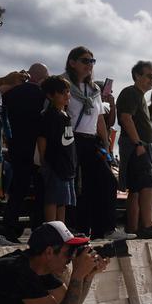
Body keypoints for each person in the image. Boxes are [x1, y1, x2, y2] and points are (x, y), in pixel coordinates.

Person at [63, 47, 123, 241]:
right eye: (85, 60)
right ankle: (79, 228)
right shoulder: (64, 84)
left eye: (92, 61)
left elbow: (99, 119)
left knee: (107, 180)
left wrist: (106, 145)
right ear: (72, 62)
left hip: (91, 141)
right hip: (71, 139)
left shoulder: (94, 90)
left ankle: (104, 229)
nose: (90, 65)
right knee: (80, 187)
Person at [117, 61, 152, 239]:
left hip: (143, 146)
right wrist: (138, 143)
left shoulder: (139, 96)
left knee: (138, 189)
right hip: (139, 147)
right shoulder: (131, 93)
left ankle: (136, 226)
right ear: (137, 75)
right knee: (147, 186)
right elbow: (126, 118)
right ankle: (146, 225)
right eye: (149, 76)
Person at [0, 63, 49, 242]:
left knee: (18, 189)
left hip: (15, 145)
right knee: (40, 191)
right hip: (36, 147)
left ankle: (9, 227)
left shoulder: (11, 93)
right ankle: (38, 228)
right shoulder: (43, 95)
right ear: (42, 78)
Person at [37, 76, 76, 225]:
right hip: (54, 163)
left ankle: (61, 230)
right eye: (62, 92)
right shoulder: (48, 115)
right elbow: (42, 138)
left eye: (68, 91)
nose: (67, 95)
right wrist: (43, 160)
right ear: (50, 95)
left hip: (67, 164)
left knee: (63, 200)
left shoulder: (65, 115)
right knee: (52, 199)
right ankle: (51, 229)